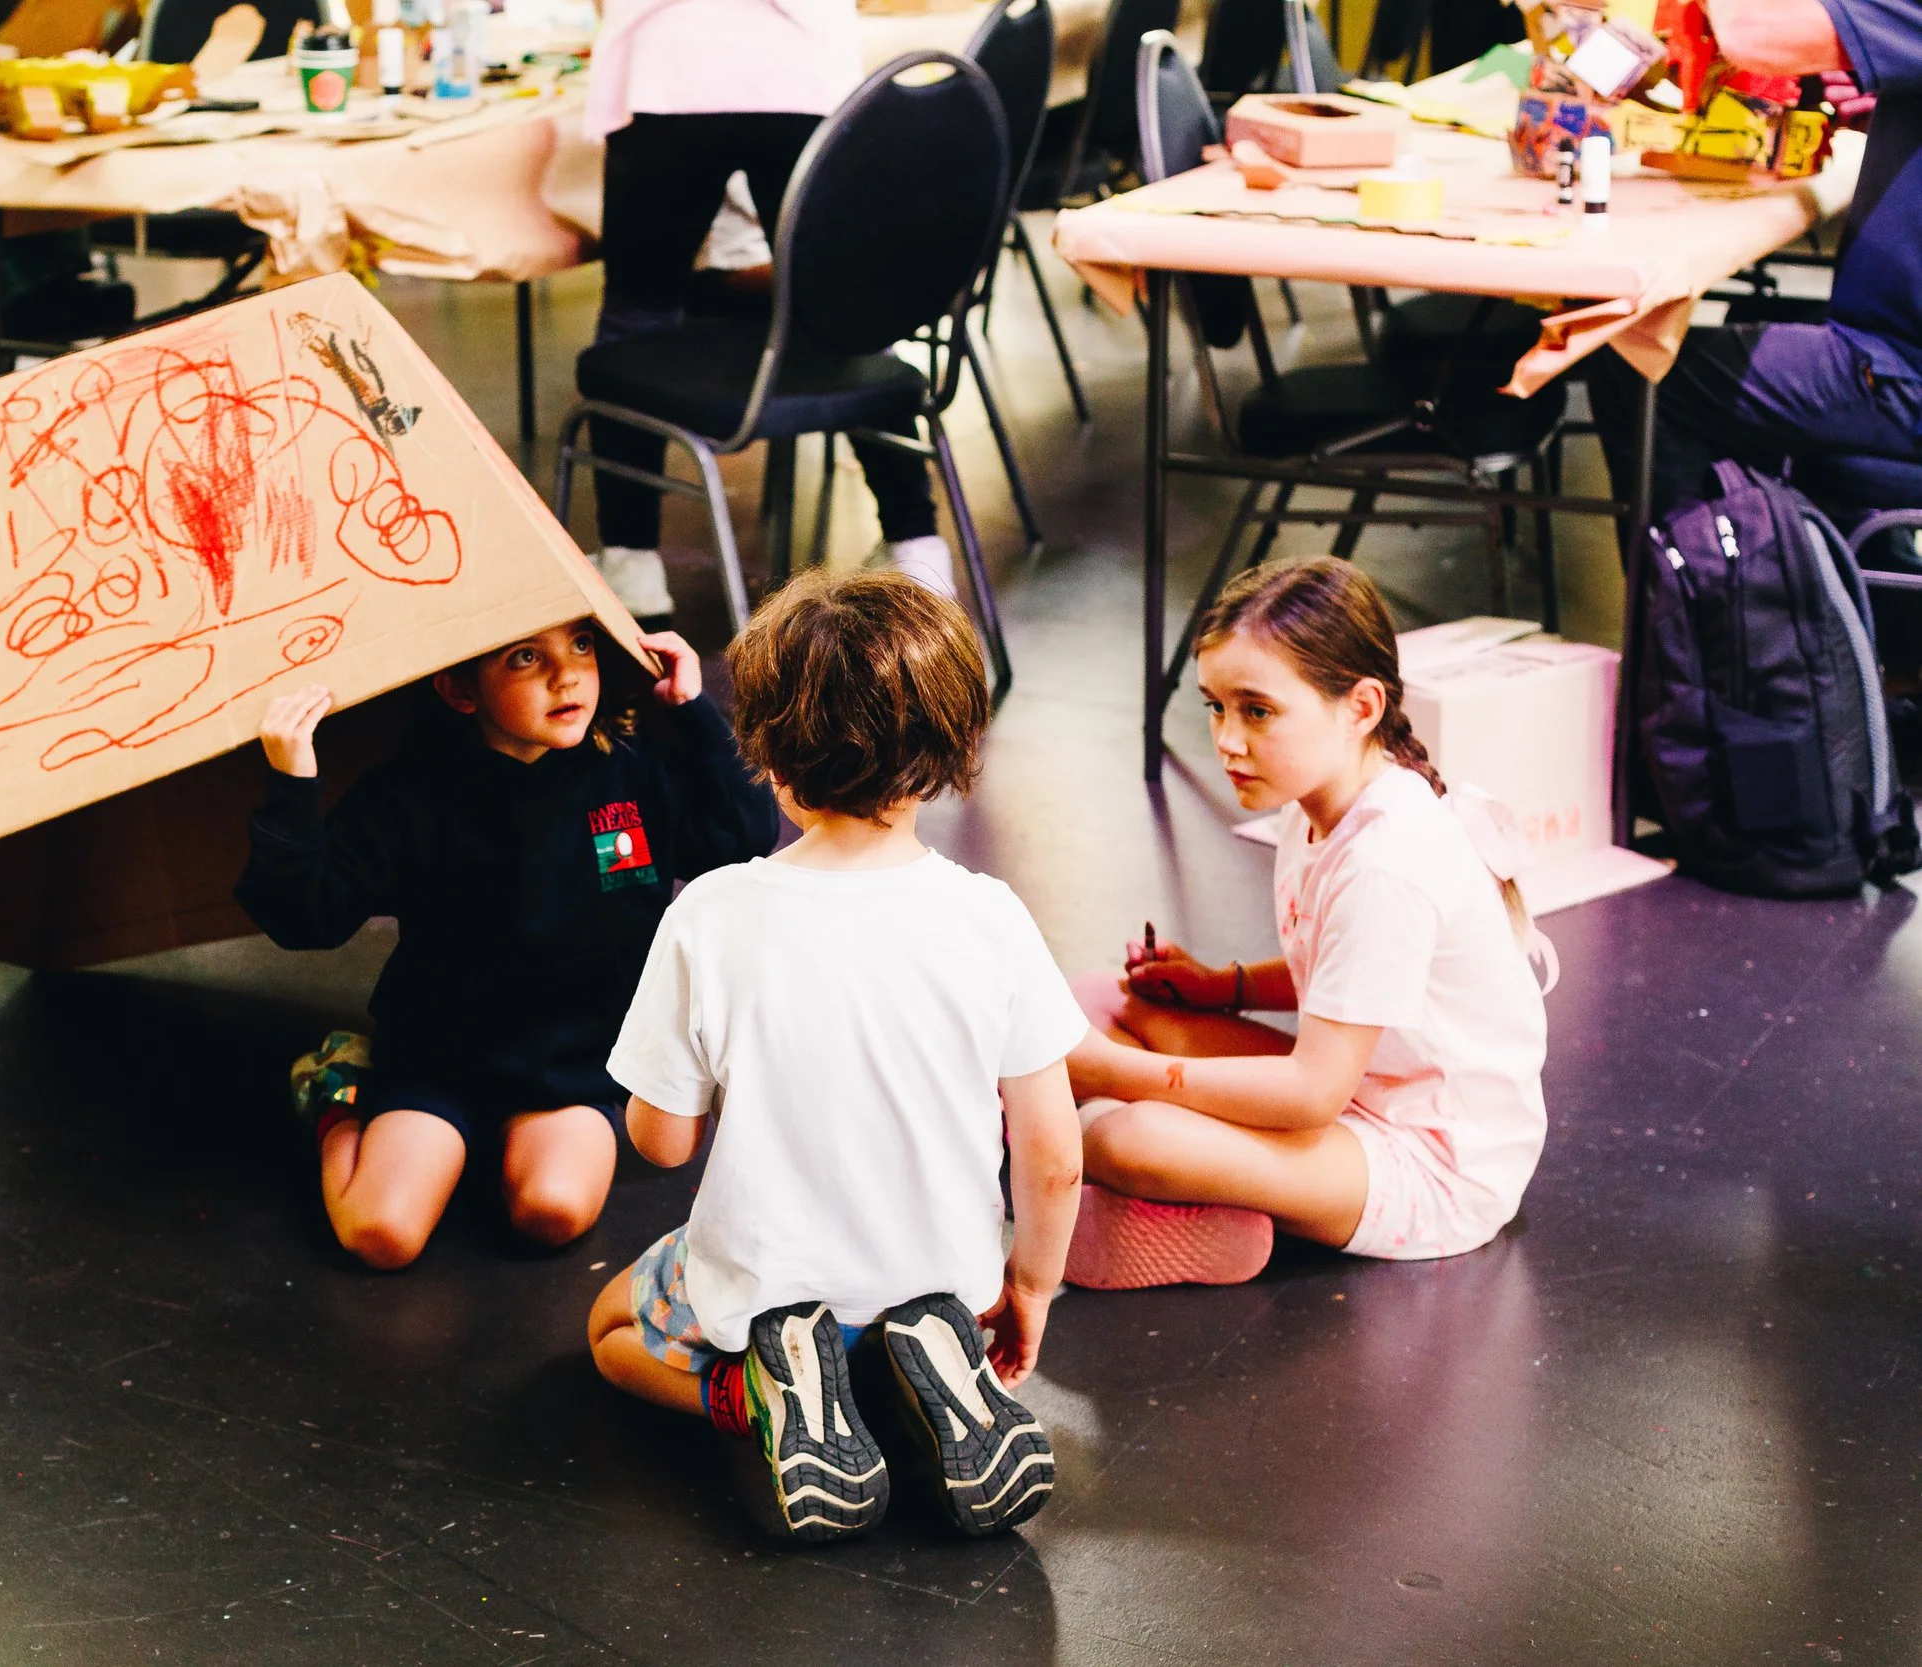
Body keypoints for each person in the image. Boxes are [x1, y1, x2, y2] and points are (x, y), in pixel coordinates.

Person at [586, 572, 1084, 1543]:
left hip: (764, 1286)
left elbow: (660, 1141)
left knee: (609, 1329)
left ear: (766, 752)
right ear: (949, 750)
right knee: (914, 1313)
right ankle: (916, 1381)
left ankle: (767, 1398)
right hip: (946, 1279)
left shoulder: (710, 915)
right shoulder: (990, 916)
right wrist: (1025, 1288)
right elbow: (1053, 1153)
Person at [1064, 558, 1553, 1289]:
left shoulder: (1389, 860)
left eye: (1256, 711)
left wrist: (1124, 1075)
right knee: (1098, 1001)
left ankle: (1172, 1197)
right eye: (1216, 707)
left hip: (1432, 1162)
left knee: (1122, 1132)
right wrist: (1219, 986)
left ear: (1360, 707)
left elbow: (1310, 1094)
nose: (1226, 739)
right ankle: (1204, 1203)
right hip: (1361, 1090)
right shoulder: (1315, 802)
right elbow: (1343, 975)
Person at [236, 624, 778, 1271]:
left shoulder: (630, 771)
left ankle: (481, 1149)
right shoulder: (410, 792)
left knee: (553, 1210)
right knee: (379, 1233)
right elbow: (305, 918)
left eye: (581, 645)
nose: (567, 673)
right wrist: (291, 782)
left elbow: (741, 836)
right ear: (459, 690)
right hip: (439, 1059)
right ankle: (339, 1093)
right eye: (526, 658)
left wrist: (692, 709)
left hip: (568, 1067)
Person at [577, 0, 959, 618]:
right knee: (845, 311)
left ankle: (631, 564)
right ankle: (918, 546)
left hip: (669, 61)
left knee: (637, 314)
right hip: (799, 62)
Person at [1589, 0, 1922, 521]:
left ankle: (1708, 594)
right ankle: (1786, 558)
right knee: (1744, 330)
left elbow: (1750, 30)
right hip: (1893, 341)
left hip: (1901, 370)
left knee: (1635, 366)